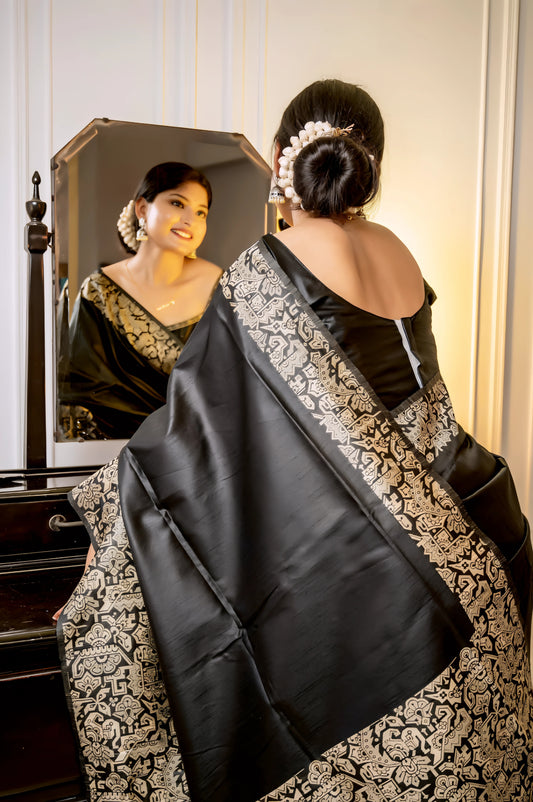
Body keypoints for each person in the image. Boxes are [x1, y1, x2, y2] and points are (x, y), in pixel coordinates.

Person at [57, 80, 533, 801]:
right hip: (471, 569)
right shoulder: (401, 254)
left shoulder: (270, 263)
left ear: (281, 157)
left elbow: (195, 433)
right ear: (370, 163)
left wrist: (107, 518)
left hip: (395, 598)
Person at [59, 161, 221, 440]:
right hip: (109, 455)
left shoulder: (218, 285)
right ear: (142, 209)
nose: (189, 219)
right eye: (177, 203)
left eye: (200, 212)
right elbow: (78, 394)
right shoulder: (98, 292)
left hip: (196, 453)